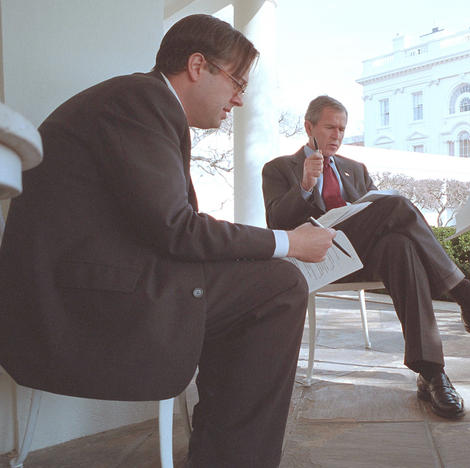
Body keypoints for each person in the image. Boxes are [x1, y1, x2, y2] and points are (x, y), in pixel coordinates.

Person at [0, 15, 337, 468]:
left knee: (258, 283)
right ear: (198, 66)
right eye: (236, 82)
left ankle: (224, 447)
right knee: (279, 285)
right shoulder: (141, 100)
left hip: (85, 287)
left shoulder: (138, 102)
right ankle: (234, 457)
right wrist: (289, 243)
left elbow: (165, 226)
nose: (238, 99)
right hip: (72, 307)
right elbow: (178, 228)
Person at [262, 95, 470, 419]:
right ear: (309, 127)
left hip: (359, 258)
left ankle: (431, 372)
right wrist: (305, 185)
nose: (337, 135)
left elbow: (373, 217)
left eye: (342, 128)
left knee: (400, 246)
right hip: (315, 261)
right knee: (396, 204)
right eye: (329, 127)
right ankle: (469, 298)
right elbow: (277, 224)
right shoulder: (279, 168)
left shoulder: (355, 169)